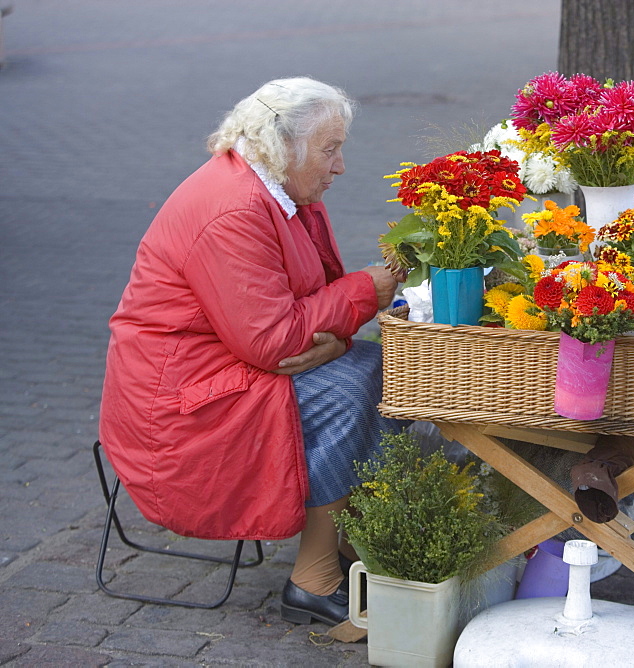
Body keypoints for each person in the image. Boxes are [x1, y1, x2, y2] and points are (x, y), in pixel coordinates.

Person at [99, 77, 406, 626]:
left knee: (380, 369)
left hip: (217, 369)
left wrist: (334, 336)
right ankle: (314, 579)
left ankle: (349, 542)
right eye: (330, 149)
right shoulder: (237, 207)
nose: (340, 166)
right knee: (354, 382)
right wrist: (365, 293)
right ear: (283, 146)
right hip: (178, 407)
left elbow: (300, 310)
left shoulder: (279, 190)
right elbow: (274, 342)